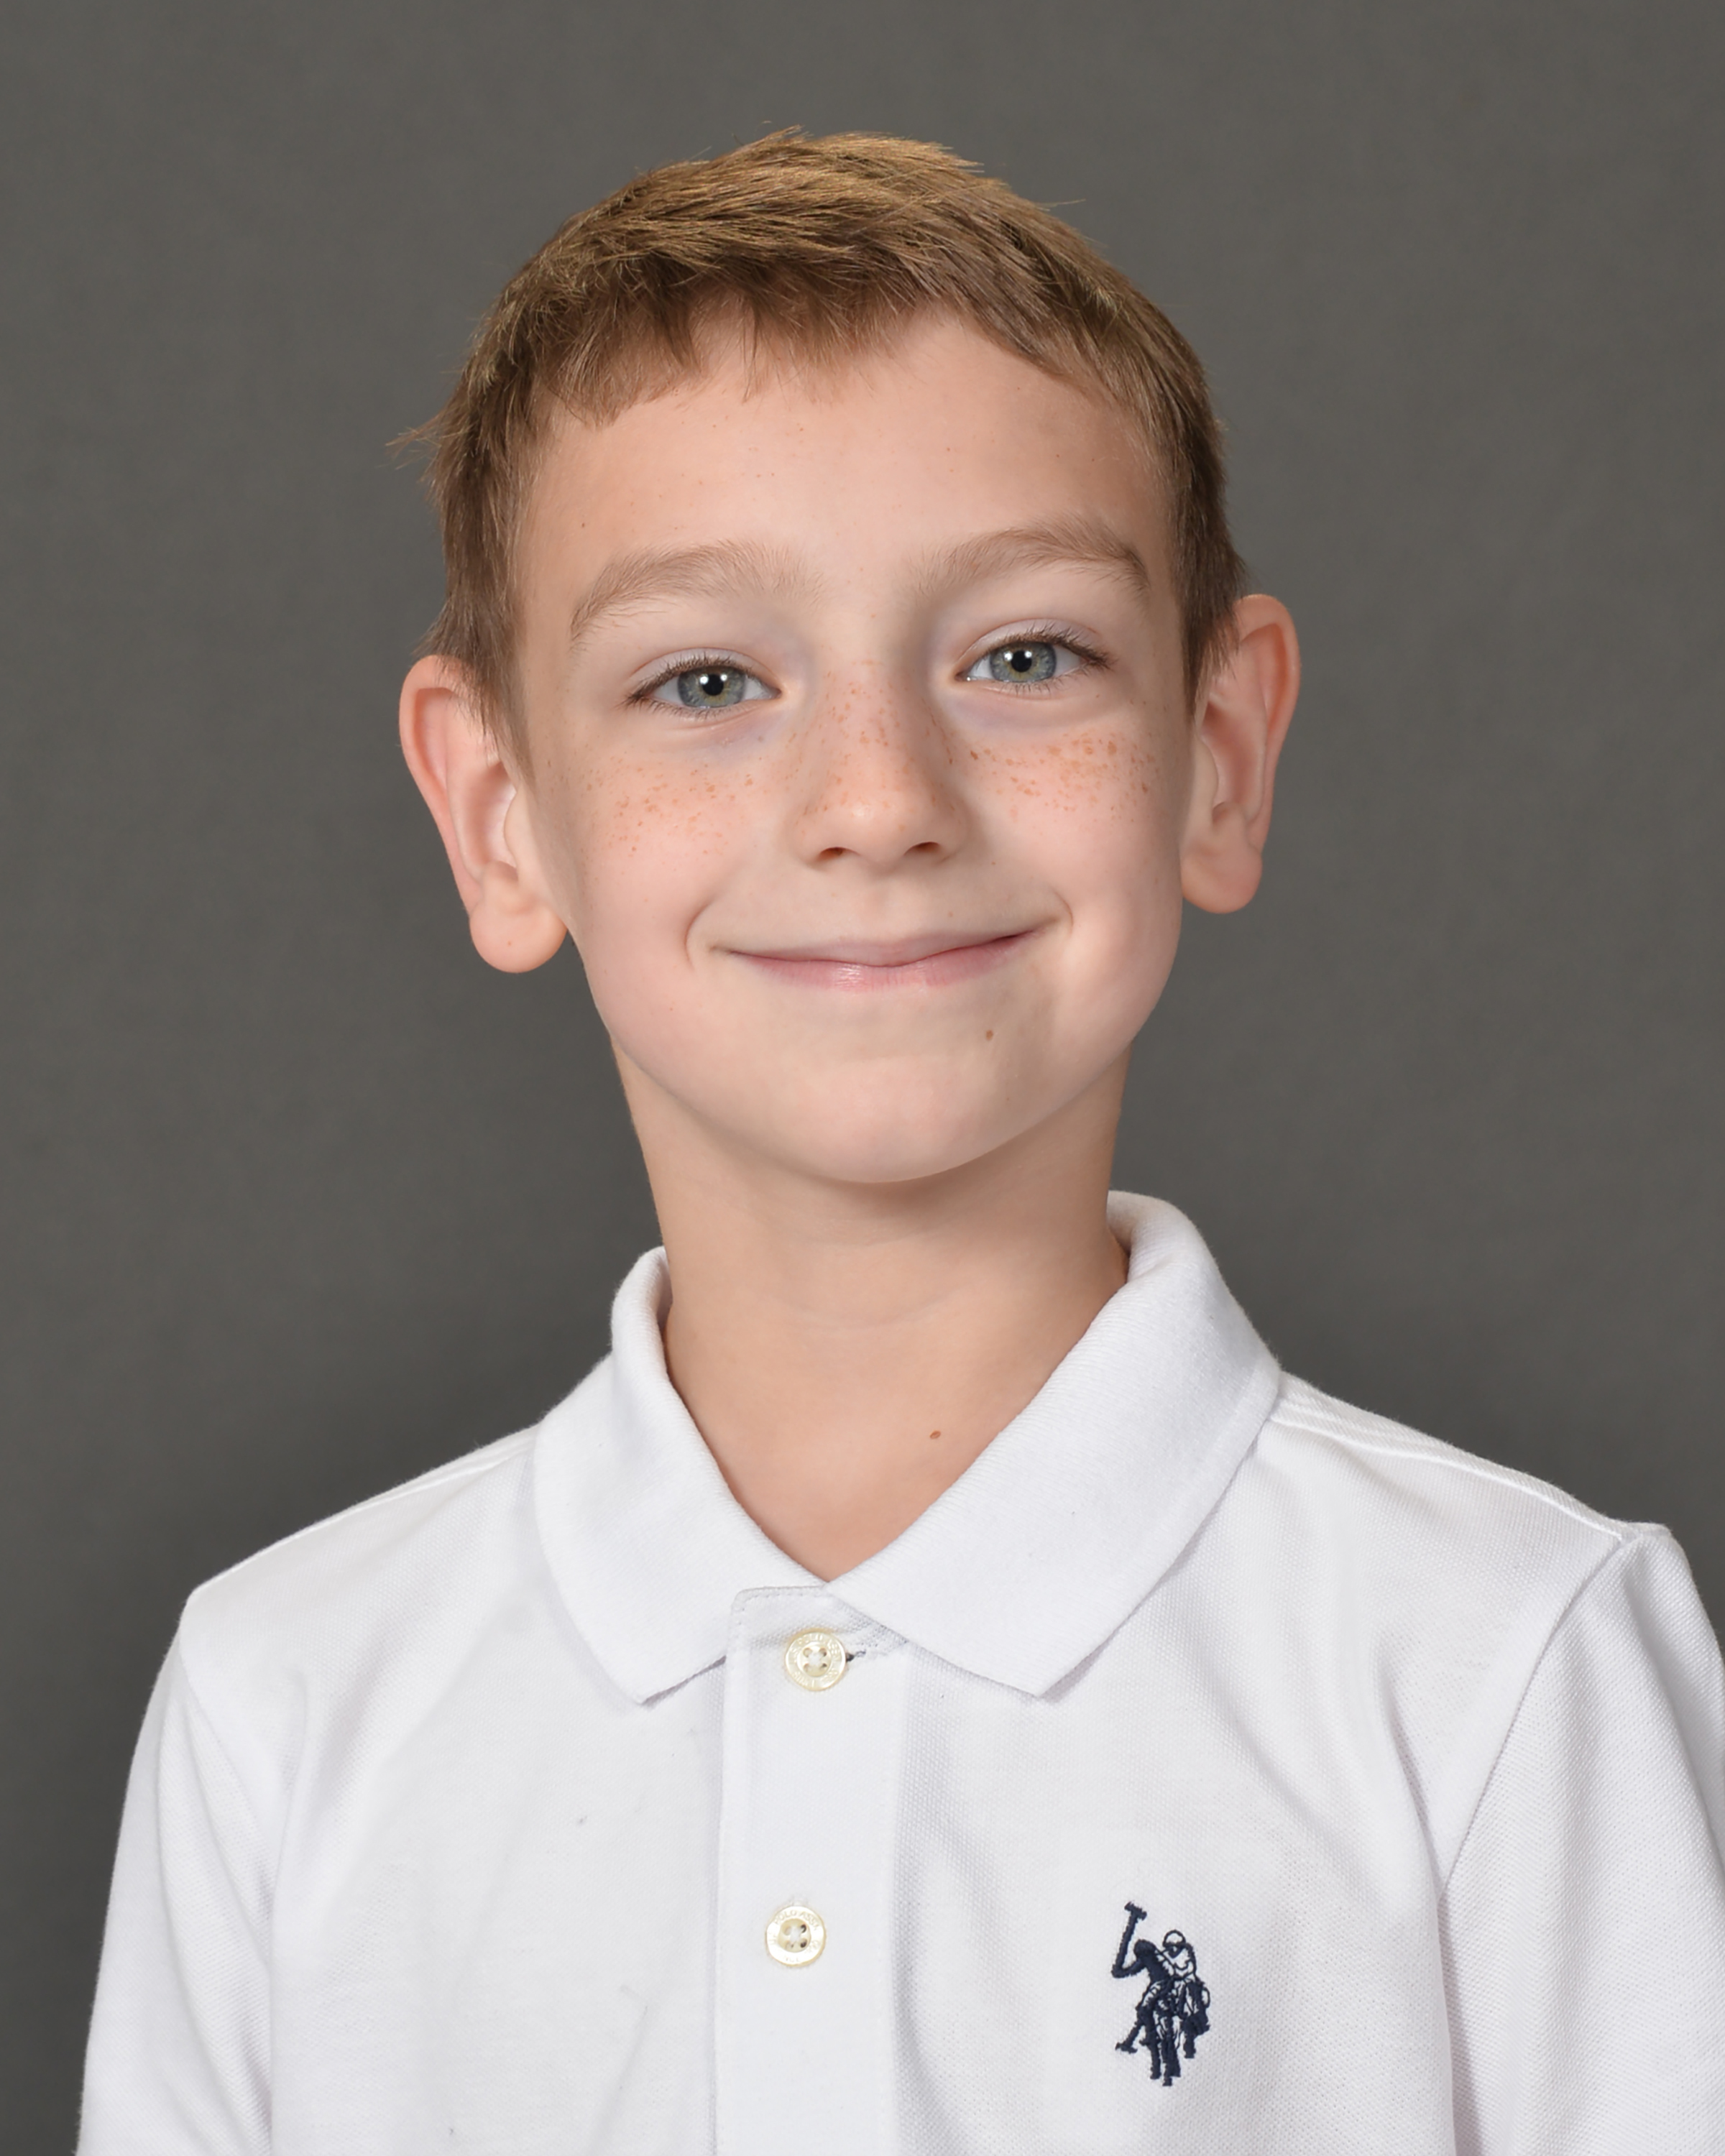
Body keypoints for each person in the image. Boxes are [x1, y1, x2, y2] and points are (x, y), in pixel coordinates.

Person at [78, 132, 1725, 2154]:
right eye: (706, 679)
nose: (877, 802)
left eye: (1024, 656)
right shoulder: (285, 1702)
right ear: (500, 815)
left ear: (1219, 755)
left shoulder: (1508, 1659)